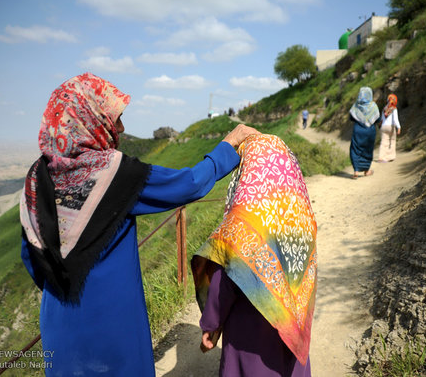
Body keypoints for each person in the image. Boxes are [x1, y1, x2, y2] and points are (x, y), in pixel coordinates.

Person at [19, 72, 259, 376]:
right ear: (88, 119)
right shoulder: (113, 174)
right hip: (113, 325)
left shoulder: (36, 177)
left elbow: (30, 257)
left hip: (58, 324)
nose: (121, 127)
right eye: (115, 118)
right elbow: (188, 185)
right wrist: (228, 145)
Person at [192, 134, 317, 377]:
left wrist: (211, 325)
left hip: (249, 338)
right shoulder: (303, 218)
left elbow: (223, 282)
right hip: (291, 329)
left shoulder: (243, 220)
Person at [349, 86, 380, 178]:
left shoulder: (355, 105)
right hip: (370, 131)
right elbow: (377, 119)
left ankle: (356, 171)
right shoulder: (373, 106)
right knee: (367, 150)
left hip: (358, 130)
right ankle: (366, 170)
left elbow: (351, 118)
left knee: (355, 149)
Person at [378, 94, 401, 162]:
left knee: (383, 142)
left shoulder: (384, 109)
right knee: (392, 141)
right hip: (390, 127)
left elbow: (382, 119)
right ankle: (390, 157)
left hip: (383, 127)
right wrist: (399, 127)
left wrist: (380, 126)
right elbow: (395, 119)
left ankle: (381, 157)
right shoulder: (394, 108)